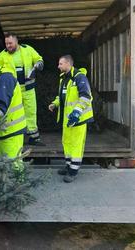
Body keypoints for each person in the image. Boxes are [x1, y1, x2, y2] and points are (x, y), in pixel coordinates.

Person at [48, 55, 94, 183]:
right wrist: (55, 104)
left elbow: (86, 96)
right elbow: (62, 97)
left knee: (76, 145)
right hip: (67, 119)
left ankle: (73, 171)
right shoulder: (64, 79)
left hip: (78, 119)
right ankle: (68, 166)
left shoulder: (79, 77)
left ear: (68, 64)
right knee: (67, 143)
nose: (58, 66)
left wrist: (76, 112)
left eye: (60, 64)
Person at [0, 33, 44, 145]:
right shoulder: (2, 56)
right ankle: (16, 136)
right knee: (13, 113)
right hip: (13, 90)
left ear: (16, 42)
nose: (8, 46)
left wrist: (38, 64)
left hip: (28, 88)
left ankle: (34, 137)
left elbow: (38, 59)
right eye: (6, 43)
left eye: (10, 43)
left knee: (31, 111)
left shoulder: (27, 50)